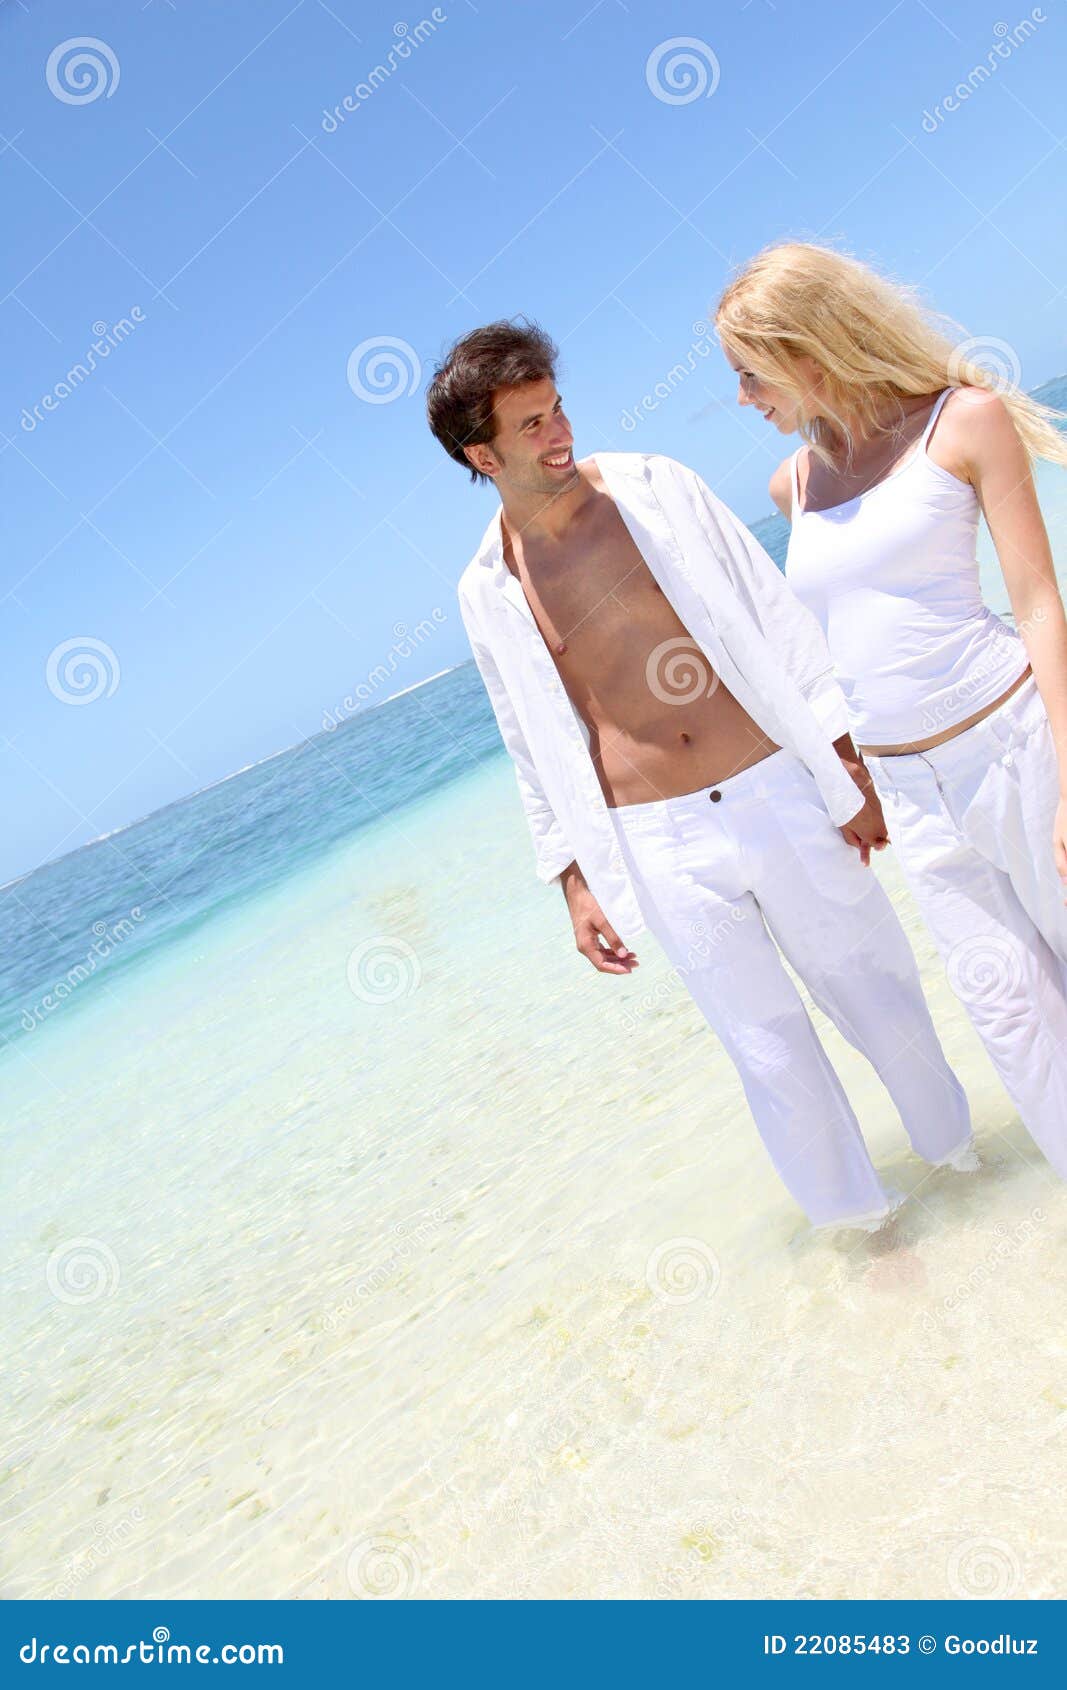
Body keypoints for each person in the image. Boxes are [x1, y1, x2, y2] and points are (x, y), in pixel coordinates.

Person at [427, 318, 975, 1233]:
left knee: (878, 989)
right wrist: (572, 878)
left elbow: (774, 610)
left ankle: (962, 1160)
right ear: (480, 454)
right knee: (767, 1051)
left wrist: (842, 761)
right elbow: (531, 740)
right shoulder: (487, 587)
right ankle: (863, 1232)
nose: (559, 433)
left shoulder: (654, 490)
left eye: (557, 410)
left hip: (772, 787)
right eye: (529, 426)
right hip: (658, 840)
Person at [716, 240, 1067, 1181]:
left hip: (1013, 747)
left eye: (749, 375)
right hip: (910, 789)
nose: (741, 400)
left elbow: (1035, 600)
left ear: (808, 352)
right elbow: (814, 657)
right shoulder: (793, 485)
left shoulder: (965, 422)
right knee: (1009, 1017)